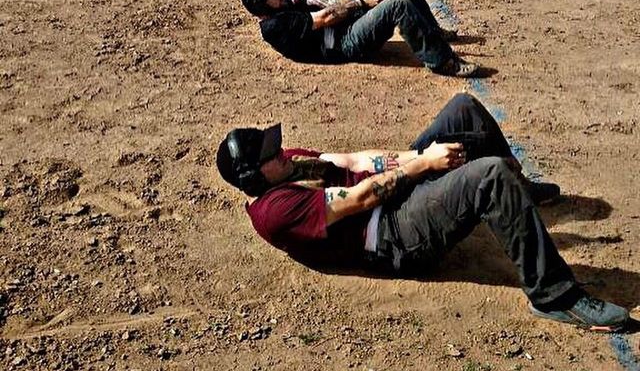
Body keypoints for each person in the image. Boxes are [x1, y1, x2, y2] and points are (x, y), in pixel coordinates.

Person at [216, 93, 630, 332]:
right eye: (270, 154)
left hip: (391, 201)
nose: (281, 151)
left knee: (463, 109)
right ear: (255, 176)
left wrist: (415, 156)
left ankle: (515, 193)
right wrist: (422, 166)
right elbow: (360, 199)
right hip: (394, 237)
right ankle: (555, 295)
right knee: (488, 175)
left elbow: (354, 160)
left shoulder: (286, 166)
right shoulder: (276, 212)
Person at [240, 0, 480, 78]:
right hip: (344, 43)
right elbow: (324, 18)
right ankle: (441, 61)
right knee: (397, 3)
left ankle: (432, 31)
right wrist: (363, 3)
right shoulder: (274, 27)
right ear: (262, 5)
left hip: (344, 23)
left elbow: (321, 1)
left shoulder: (281, 5)